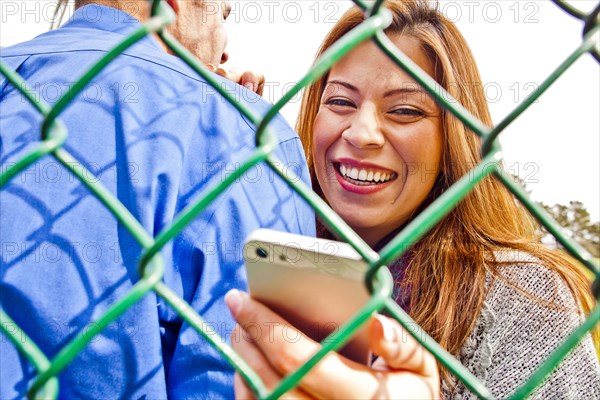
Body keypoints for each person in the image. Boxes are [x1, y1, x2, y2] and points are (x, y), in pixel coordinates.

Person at [228, 1, 600, 399]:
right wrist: (222, 126)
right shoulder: (265, 248)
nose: (362, 133)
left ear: (453, 139)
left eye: (405, 110)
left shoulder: (526, 295)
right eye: (340, 102)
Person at [0, 0, 315, 398]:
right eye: (224, 15)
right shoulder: (250, 139)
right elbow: (234, 382)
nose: (226, 53)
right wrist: (229, 122)